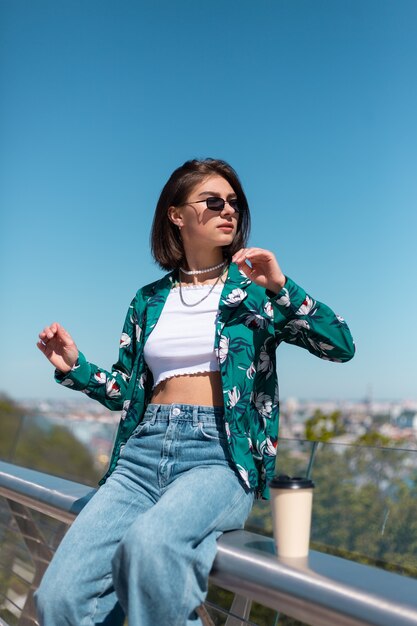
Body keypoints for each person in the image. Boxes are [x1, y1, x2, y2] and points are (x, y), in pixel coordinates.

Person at [34, 158, 355, 626]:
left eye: (234, 203)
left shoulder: (256, 290)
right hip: (140, 456)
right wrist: (75, 368)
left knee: (152, 546)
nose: (229, 210)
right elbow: (128, 392)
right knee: (59, 600)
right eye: (214, 201)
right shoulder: (147, 300)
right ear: (177, 215)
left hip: (219, 456)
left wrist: (283, 287)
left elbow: (341, 346)